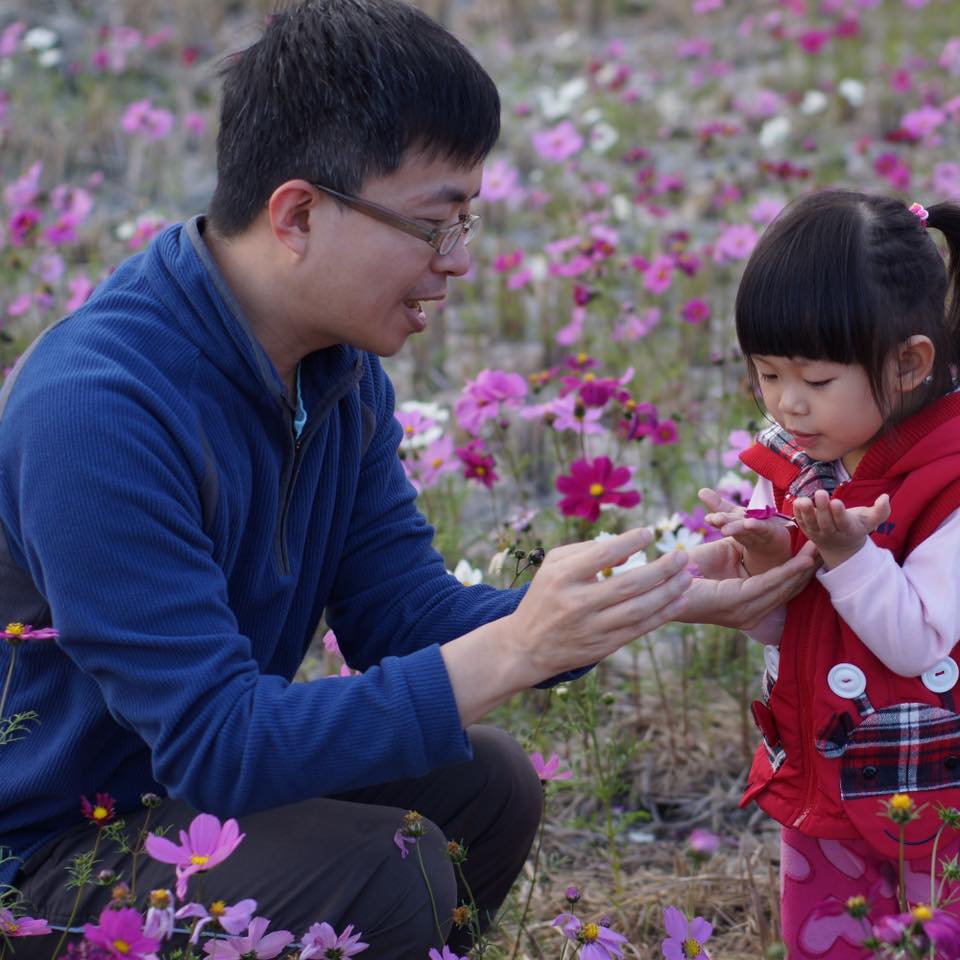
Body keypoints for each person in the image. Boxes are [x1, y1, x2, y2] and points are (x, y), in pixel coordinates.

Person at [0, 1, 816, 955]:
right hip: (45, 859)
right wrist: (516, 650)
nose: (457, 263)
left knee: (485, 786)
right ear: (298, 212)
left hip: (177, 808)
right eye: (435, 225)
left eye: (468, 221)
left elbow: (405, 619)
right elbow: (218, 741)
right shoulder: (101, 407)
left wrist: (655, 594)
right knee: (392, 866)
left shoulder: (337, 377)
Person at [698, 190, 960, 958]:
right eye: (765, 373)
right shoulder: (791, 457)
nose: (787, 403)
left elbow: (917, 641)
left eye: (815, 381)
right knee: (829, 944)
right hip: (825, 771)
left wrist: (850, 556)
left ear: (910, 362)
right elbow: (782, 627)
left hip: (949, 785)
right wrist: (760, 565)